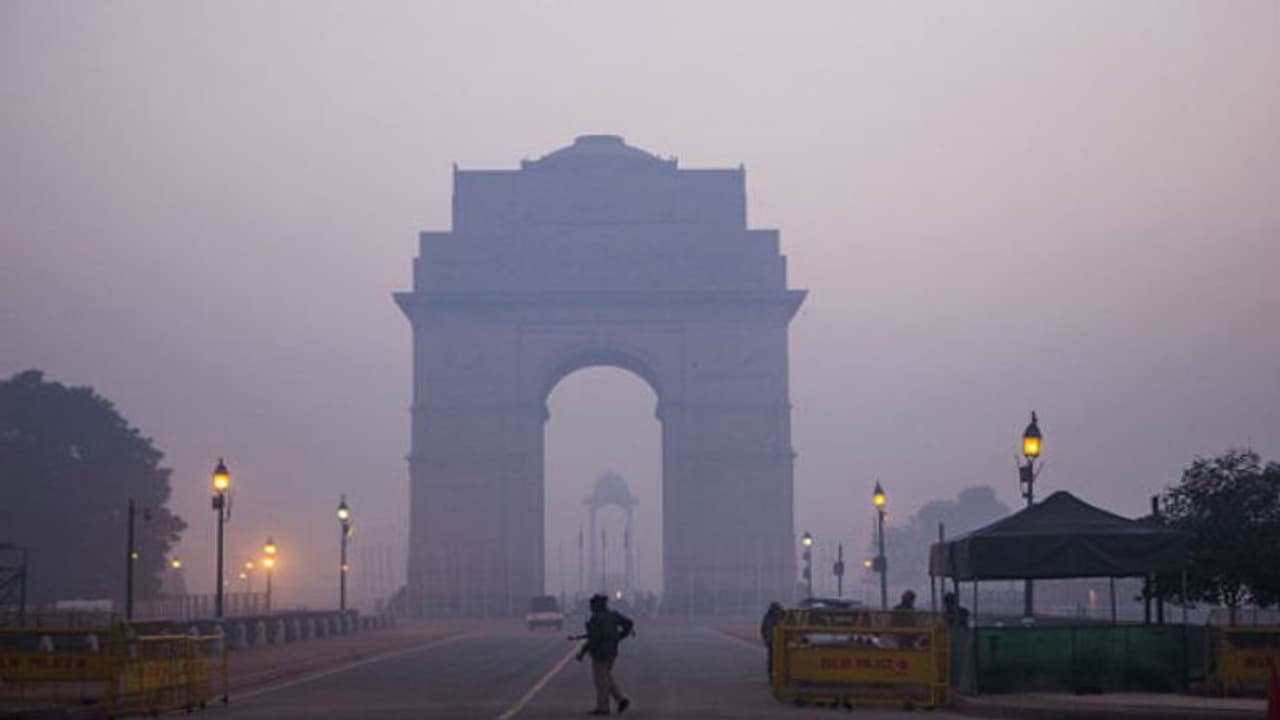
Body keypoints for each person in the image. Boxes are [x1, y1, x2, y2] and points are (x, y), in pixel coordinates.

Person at [576, 593, 634, 715]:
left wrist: (583, 651)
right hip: (612, 650)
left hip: (600, 653)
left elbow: (594, 639)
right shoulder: (613, 615)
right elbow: (629, 624)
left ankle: (603, 707)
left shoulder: (596, 618)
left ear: (598, 605)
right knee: (606, 677)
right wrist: (619, 637)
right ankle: (621, 700)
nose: (591, 607)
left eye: (592, 604)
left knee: (601, 681)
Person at [759, 601, 785, 678]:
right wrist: (766, 639)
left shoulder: (783, 615)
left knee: (779, 659)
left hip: (780, 641)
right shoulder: (769, 616)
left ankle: (779, 676)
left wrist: (766, 638)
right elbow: (763, 629)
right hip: (773, 641)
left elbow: (763, 629)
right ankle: (773, 676)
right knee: (772, 660)